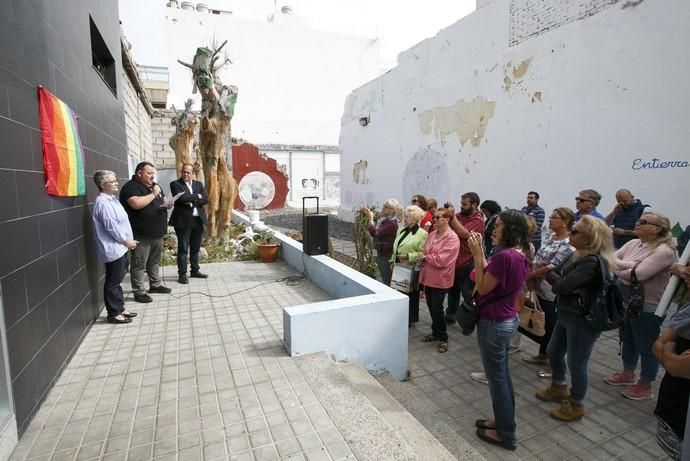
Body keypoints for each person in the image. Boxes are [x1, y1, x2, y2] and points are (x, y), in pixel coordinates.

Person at [535, 216, 616, 421]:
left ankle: (576, 403)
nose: (570, 233)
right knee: (553, 351)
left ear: (591, 238)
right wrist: (554, 275)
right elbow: (561, 278)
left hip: (582, 319)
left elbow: (561, 285)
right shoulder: (578, 255)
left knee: (577, 362)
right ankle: (559, 386)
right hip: (567, 313)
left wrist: (550, 274)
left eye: (576, 231)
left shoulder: (591, 262)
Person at [467, 210, 531, 451]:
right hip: (504, 320)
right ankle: (502, 422)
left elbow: (482, 287)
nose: (494, 228)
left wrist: (476, 255)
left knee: (498, 380)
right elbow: (489, 275)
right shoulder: (517, 253)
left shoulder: (506, 257)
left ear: (512, 229)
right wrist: (482, 254)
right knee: (500, 377)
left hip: (494, 323)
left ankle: (506, 434)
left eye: (500, 225)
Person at [604, 212, 677, 400]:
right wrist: (630, 265)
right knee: (627, 337)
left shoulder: (665, 251)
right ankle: (628, 373)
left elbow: (637, 275)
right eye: (638, 219)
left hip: (647, 305)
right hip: (627, 300)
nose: (637, 223)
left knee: (647, 345)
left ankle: (646, 384)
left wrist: (622, 266)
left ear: (657, 229)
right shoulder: (634, 243)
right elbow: (610, 259)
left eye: (643, 221)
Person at [522, 207, 575, 378]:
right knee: (543, 324)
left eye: (555, 217)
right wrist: (531, 275)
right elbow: (538, 256)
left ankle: (553, 364)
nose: (550, 219)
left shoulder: (568, 243)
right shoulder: (551, 236)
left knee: (552, 328)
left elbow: (553, 266)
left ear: (565, 221)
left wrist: (531, 274)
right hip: (539, 287)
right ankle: (543, 354)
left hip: (552, 290)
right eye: (551, 216)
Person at [120, 161, 173, 303]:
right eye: (149, 173)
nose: (152, 177)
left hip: (157, 233)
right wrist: (154, 194)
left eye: (153, 174)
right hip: (141, 234)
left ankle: (155, 285)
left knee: (154, 262)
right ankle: (139, 291)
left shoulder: (154, 186)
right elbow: (136, 204)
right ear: (139, 173)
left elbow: (162, 200)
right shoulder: (130, 187)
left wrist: (168, 203)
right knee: (139, 263)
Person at [91, 170, 139, 324]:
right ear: (103, 185)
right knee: (113, 281)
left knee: (117, 280)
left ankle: (120, 307)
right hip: (114, 248)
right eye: (112, 181)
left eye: (115, 180)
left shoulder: (112, 200)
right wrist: (126, 241)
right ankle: (113, 312)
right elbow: (111, 227)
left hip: (121, 247)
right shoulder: (103, 203)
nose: (116, 183)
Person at [653, 299, 690, 460]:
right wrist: (671, 354)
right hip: (672, 417)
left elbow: (678, 367)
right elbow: (657, 345)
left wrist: (668, 350)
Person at [419, 208, 460, 353]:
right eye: (434, 217)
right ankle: (435, 332)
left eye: (438, 217)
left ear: (447, 219)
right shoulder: (432, 234)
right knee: (431, 306)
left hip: (441, 278)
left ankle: (443, 338)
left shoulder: (452, 237)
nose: (434, 220)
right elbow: (425, 251)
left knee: (437, 309)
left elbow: (442, 260)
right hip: (429, 276)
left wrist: (426, 257)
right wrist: (426, 256)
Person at [444, 192, 485, 325]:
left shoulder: (478, 220)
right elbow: (448, 225)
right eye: (461, 204)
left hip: (467, 262)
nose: (461, 207)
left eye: (464, 204)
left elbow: (464, 233)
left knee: (468, 294)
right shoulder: (460, 215)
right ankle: (450, 316)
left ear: (474, 205)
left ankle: (469, 321)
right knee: (453, 291)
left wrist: (452, 218)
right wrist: (447, 215)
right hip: (455, 261)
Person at [169, 163, 209, 284]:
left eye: (188, 172)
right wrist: (197, 197)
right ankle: (182, 274)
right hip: (183, 222)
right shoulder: (175, 184)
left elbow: (206, 199)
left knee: (195, 248)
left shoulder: (198, 184)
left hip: (198, 220)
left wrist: (191, 201)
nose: (185, 174)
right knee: (183, 248)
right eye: (183, 172)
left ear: (192, 173)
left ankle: (195, 270)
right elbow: (182, 199)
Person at [391, 205, 428, 326]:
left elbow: (422, 253)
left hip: (410, 268)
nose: (405, 219)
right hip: (398, 266)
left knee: (410, 294)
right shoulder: (401, 230)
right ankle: (400, 316)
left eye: (407, 217)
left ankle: (409, 319)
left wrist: (408, 256)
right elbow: (396, 248)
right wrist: (393, 261)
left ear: (415, 218)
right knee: (398, 291)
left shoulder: (422, 233)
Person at [367, 199, 403, 286]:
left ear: (391, 210)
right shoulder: (387, 221)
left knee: (387, 280)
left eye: (385, 207)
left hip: (386, 255)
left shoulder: (391, 223)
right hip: (383, 253)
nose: (382, 208)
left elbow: (375, 233)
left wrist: (371, 219)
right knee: (385, 277)